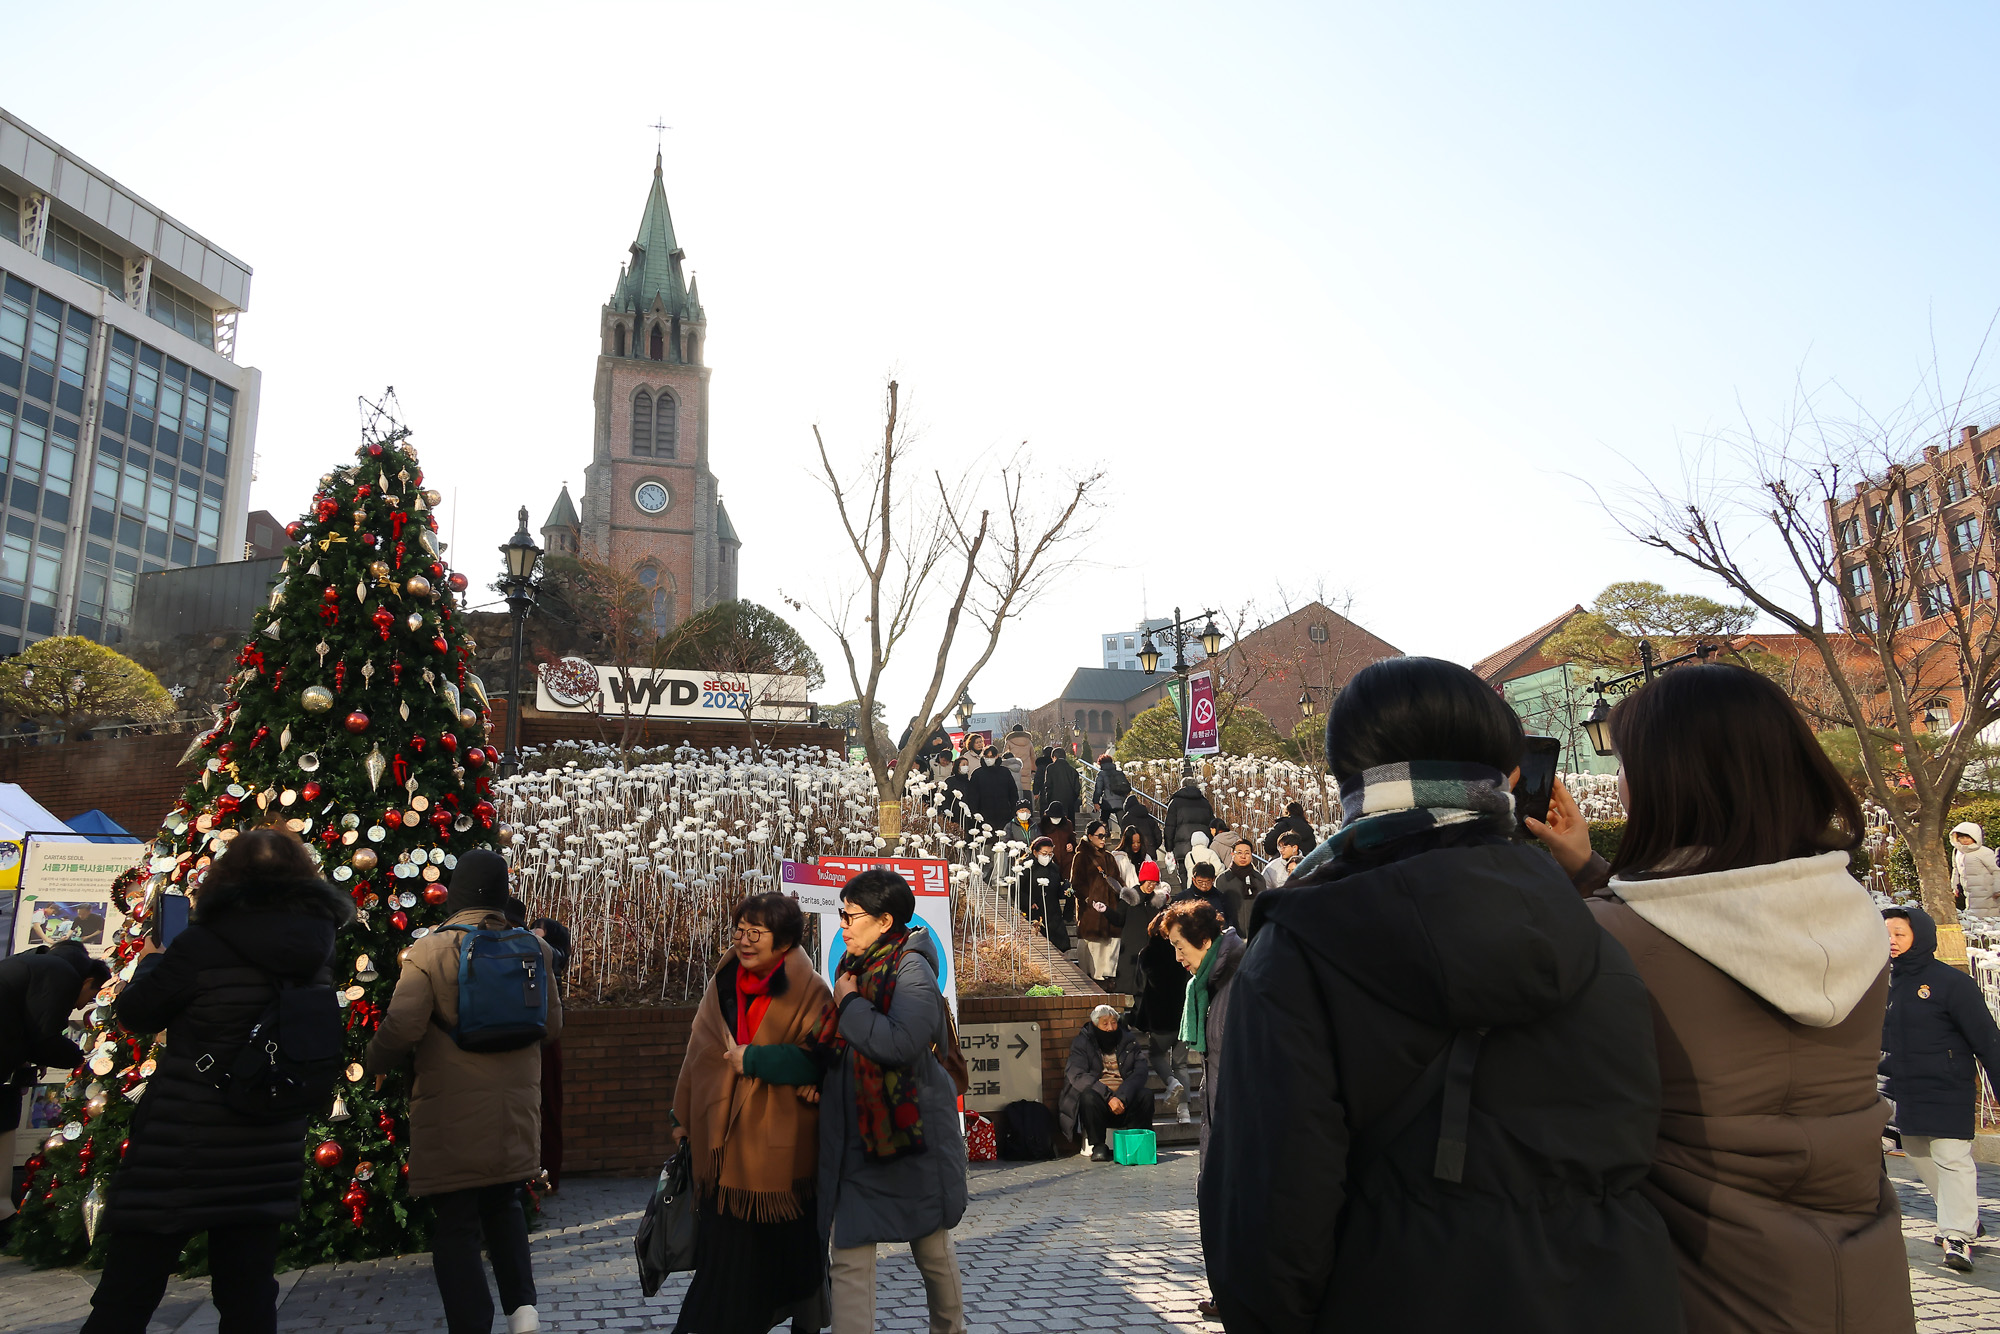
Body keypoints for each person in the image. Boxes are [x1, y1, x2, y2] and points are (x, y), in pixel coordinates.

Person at [1206, 656, 1679, 1333]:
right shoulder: (1592, 927)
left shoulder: (1301, 946)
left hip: (1401, 1294)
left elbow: (1269, 1217)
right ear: (1508, 776)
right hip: (1610, 1295)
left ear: (1347, 778)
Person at [1530, 661, 1912, 1332]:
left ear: (1669, 780)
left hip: (1707, 1284)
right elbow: (1716, 925)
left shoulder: (1610, 937)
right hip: (1865, 1282)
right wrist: (1592, 873)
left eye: (1629, 764)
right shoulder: (1856, 913)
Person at [82, 829, 350, 1334]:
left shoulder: (200, 944)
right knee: (248, 1295)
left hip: (184, 1142)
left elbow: (136, 1013)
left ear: (227, 878)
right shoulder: (318, 948)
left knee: (128, 1291)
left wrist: (156, 960)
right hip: (266, 1144)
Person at [366, 848, 565, 1334]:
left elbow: (403, 1028)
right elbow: (553, 1026)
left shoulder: (430, 951)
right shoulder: (534, 949)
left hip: (451, 1110)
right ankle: (523, 1310)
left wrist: (373, 1061)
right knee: (505, 1203)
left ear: (456, 893)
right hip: (515, 1109)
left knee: (456, 1223)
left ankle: (472, 1324)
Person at [668, 893, 833, 1333]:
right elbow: (697, 1053)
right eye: (739, 930)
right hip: (720, 1146)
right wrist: (681, 1117)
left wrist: (758, 1061)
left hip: (780, 1154)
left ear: (783, 943)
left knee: (779, 1259)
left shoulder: (813, 991)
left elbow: (822, 1060)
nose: (743, 940)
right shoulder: (723, 981)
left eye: (755, 933)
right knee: (727, 1263)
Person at [817, 869, 968, 1334]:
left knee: (930, 1247)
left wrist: (848, 1005)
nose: (842, 924)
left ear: (884, 921)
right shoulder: (852, 967)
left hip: (909, 1133)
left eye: (851, 915)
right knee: (848, 1252)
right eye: (840, 914)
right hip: (857, 1135)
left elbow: (901, 1043)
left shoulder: (911, 967)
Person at [1881, 905, 2000, 1273]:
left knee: (1952, 1159)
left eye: (1900, 933)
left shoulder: (1951, 983)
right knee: (1920, 1157)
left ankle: (1958, 1236)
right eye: (1886, 933)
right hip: (1900, 1090)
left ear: (1920, 935)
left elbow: (1987, 1040)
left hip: (1946, 1086)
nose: (1892, 941)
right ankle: (1964, 1216)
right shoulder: (1875, 982)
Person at [0, 940, 109, 1234]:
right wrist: (84, 1058)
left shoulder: (37, 961)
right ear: (86, 980)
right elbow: (44, 1037)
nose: (82, 1004)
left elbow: (25, 1025)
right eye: (89, 995)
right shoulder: (61, 973)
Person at [1059, 1004, 1153, 1162]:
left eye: (1114, 1022)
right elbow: (1079, 1075)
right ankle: (1098, 1145)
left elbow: (1140, 1071)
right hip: (1100, 1101)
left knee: (1146, 1095)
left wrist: (1122, 1096)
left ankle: (1136, 1143)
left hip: (1124, 1098)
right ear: (1095, 1024)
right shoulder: (1082, 1042)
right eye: (1105, 1023)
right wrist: (1109, 1097)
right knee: (1088, 1096)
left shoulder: (1128, 1041)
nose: (1110, 1028)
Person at [1132, 893, 1193, 1126]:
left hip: (1159, 1018)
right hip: (1183, 1015)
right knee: (1182, 1063)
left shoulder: (1146, 954)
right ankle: (1185, 1111)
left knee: (1156, 1055)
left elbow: (1139, 986)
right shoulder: (1182, 951)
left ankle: (1170, 1082)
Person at [531, 914, 572, 1194]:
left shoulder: (550, 954)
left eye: (538, 930)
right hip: (541, 1041)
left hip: (544, 1042)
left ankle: (548, 1178)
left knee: (548, 1108)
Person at [1070, 820, 1124, 985]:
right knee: (1092, 956)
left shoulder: (1109, 857)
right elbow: (1076, 884)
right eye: (1100, 835)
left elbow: (1117, 880)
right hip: (1091, 914)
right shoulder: (1081, 856)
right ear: (1090, 836)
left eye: (1105, 835)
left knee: (1109, 956)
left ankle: (1107, 983)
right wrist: (1089, 899)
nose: (1103, 839)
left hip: (1110, 912)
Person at [1111, 838, 1167, 996]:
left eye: (1154, 883)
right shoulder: (1130, 897)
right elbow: (1118, 919)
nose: (1151, 886)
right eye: (1148, 882)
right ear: (1142, 880)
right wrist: (1105, 911)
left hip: (1149, 949)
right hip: (1130, 949)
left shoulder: (1156, 902)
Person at [1013, 836, 1071, 951]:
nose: (1047, 857)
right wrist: (1028, 902)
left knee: (1059, 948)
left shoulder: (1053, 868)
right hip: (1034, 913)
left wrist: (1065, 890)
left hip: (1053, 915)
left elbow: (1056, 890)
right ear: (1035, 852)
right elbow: (1016, 889)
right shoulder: (1026, 867)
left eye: (1050, 854)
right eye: (1044, 853)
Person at [966, 745, 1019, 844]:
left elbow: (1013, 792)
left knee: (1002, 842)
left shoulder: (1005, 772)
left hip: (1003, 814)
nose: (989, 759)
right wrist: (974, 813)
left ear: (997, 756)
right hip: (984, 814)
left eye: (992, 757)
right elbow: (973, 795)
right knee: (986, 844)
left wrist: (1013, 810)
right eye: (987, 757)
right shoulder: (977, 774)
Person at [1164, 777, 1215, 869]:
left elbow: (1169, 827)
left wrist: (1169, 848)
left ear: (1182, 786)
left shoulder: (1175, 802)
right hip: (1203, 848)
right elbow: (1212, 825)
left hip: (1182, 849)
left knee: (1184, 876)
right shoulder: (1205, 803)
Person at [1952, 822, 1999, 914]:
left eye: (1968, 837)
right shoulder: (1958, 852)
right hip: (1970, 892)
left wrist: (1997, 889)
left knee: (1989, 917)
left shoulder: (1984, 852)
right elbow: (1956, 869)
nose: (1965, 840)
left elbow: (1996, 870)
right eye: (1962, 837)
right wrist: (1954, 886)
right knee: (1973, 915)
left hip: (1988, 892)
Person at [1216, 839, 1261, 935]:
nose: (1243, 856)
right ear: (1233, 854)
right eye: (1239, 853)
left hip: (1255, 934)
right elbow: (1218, 908)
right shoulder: (1223, 879)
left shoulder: (1259, 879)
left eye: (1247, 853)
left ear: (1251, 855)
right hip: (1231, 935)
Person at [1179, 863, 1240, 933]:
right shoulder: (1182, 899)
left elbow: (1229, 921)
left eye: (1208, 881)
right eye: (1200, 881)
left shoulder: (1221, 898)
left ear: (1213, 879)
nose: (1204, 885)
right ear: (1193, 879)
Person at [1038, 802, 1077, 891]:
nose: (1056, 820)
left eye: (1058, 817)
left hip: (1066, 859)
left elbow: (1072, 838)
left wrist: (1072, 844)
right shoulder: (1042, 825)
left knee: (1069, 885)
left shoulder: (1067, 824)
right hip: (1050, 860)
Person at [1120, 793, 1162, 863]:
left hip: (1134, 854)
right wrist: (1152, 847)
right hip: (1150, 853)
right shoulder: (1148, 817)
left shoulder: (1127, 819)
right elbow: (1158, 837)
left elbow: (1124, 838)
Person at [1042, 749, 1083, 821]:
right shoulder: (1072, 770)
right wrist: (1072, 799)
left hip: (1053, 802)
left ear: (1054, 757)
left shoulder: (1050, 768)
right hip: (1069, 803)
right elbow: (1077, 789)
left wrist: (1048, 800)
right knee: (1069, 826)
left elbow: (1048, 785)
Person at [1092, 754, 1132, 828]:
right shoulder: (1119, 773)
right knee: (1123, 823)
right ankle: (1125, 837)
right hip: (1121, 801)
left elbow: (1098, 789)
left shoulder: (1102, 774)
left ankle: (1105, 836)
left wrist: (1095, 802)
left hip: (1107, 802)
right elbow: (1127, 787)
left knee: (1103, 820)